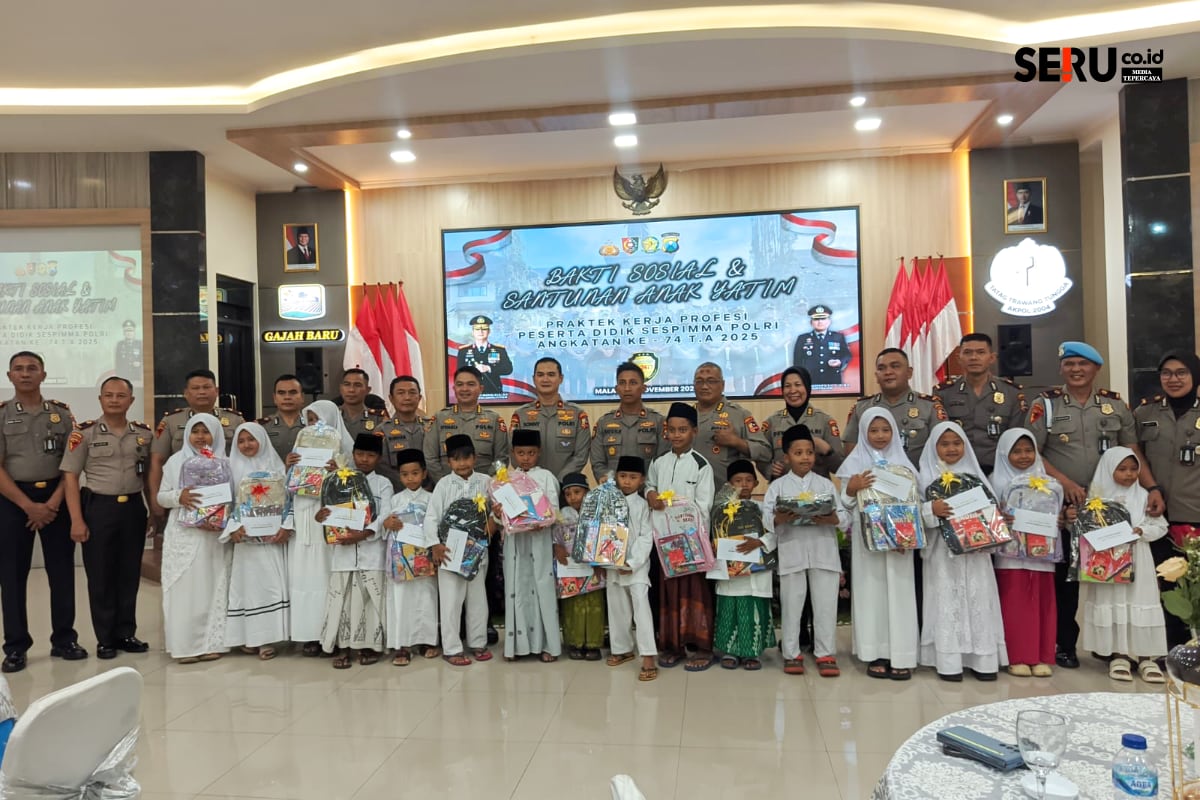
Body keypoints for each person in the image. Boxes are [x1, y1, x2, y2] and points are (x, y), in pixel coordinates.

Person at [1027, 340, 1160, 669]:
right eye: (1069, 364)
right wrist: (1067, 484)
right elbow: (1033, 453)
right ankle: (1065, 644)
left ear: (1095, 369)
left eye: (1082, 364)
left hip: (1111, 504)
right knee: (1067, 580)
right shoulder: (1046, 405)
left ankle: (1111, 644)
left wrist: (1151, 486)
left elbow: (1132, 451)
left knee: (1109, 575)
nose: (1076, 370)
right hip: (1064, 501)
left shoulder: (1115, 407)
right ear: (1061, 368)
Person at [0, 352, 81, 674]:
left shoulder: (62, 415)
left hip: (56, 498)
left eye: (31, 368)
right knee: (12, 575)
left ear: (43, 375)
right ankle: (16, 646)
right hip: (12, 499)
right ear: (9, 376)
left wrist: (51, 503)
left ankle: (64, 640)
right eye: (18, 369)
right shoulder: (2, 415)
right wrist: (27, 505)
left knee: (61, 573)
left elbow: (71, 465)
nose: (25, 374)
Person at [60, 376, 150, 664]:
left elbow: (147, 477)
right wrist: (76, 519)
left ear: (130, 401)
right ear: (100, 399)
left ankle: (126, 632)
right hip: (99, 508)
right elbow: (71, 478)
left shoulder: (143, 434)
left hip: (133, 508)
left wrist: (153, 511)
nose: (114, 400)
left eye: (120, 396)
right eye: (108, 395)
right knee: (100, 575)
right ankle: (105, 638)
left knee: (128, 574)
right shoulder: (83, 434)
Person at [917, 422, 1008, 681]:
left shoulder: (976, 476)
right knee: (946, 602)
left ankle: (984, 661)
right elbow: (914, 516)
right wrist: (930, 511)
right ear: (934, 447)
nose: (951, 449)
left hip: (976, 555)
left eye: (957, 443)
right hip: (941, 555)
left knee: (979, 600)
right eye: (944, 444)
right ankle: (948, 662)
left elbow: (992, 512)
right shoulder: (925, 476)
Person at [836, 408, 920, 680]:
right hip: (867, 543)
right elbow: (844, 507)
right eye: (874, 430)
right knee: (871, 593)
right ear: (863, 433)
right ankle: (874, 653)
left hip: (899, 543)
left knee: (900, 595)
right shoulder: (854, 464)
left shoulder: (906, 466)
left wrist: (905, 534)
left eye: (885, 430)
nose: (880, 435)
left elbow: (914, 503)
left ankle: (902, 654)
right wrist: (852, 488)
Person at [1076, 447, 1168, 683]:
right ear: (1108, 470)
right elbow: (1085, 529)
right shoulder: (1097, 498)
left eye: (1134, 469)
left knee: (1140, 602)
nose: (1129, 474)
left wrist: (1141, 531)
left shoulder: (1144, 496)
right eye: (1122, 469)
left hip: (1139, 556)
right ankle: (1119, 655)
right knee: (1114, 603)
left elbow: (1160, 526)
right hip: (1109, 562)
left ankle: (1146, 657)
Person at [765, 430, 848, 676]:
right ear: (787, 457)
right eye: (798, 453)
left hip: (824, 551)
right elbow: (766, 518)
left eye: (809, 453)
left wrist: (833, 518)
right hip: (793, 551)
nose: (805, 458)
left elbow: (844, 517)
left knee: (825, 605)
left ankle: (825, 653)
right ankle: (791, 653)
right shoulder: (777, 486)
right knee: (792, 605)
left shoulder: (825, 484)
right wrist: (778, 518)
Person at [1135, 351, 1200, 649]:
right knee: (1165, 586)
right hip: (1157, 516)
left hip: (1195, 515)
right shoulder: (1145, 414)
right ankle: (1170, 649)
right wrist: (1151, 488)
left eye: (1181, 372)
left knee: (1195, 588)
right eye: (1167, 373)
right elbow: (1134, 457)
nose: (1173, 379)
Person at [157, 414, 232, 663]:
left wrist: (222, 518)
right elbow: (161, 497)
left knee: (213, 587)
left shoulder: (225, 462)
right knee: (185, 590)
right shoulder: (175, 462)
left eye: (206, 431)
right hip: (185, 536)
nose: (201, 437)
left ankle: (213, 642)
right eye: (195, 432)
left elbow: (233, 497)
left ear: (216, 435)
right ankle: (185, 646)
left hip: (214, 536)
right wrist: (181, 496)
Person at [646, 402, 716, 671]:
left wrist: (679, 509)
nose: (676, 435)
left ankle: (701, 648)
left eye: (683, 430)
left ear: (694, 431)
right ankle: (672, 646)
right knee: (669, 594)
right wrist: (650, 495)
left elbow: (704, 506)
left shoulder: (702, 466)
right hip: (664, 542)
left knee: (694, 594)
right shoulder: (658, 462)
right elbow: (650, 486)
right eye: (672, 430)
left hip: (690, 543)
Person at [316, 433, 393, 668]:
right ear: (353, 454)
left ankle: (371, 645)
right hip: (343, 552)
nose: (364, 459)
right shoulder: (337, 479)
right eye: (360, 454)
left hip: (371, 552)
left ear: (378, 458)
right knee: (343, 600)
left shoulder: (383, 484)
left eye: (370, 455)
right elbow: (326, 510)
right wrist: (321, 517)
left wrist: (365, 533)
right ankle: (342, 646)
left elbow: (385, 516)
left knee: (370, 601)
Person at [287, 400, 353, 656]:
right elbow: (288, 487)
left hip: (331, 520)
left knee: (331, 579)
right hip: (305, 520)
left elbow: (355, 485)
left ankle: (335, 633)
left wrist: (341, 471)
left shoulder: (345, 448)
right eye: (311, 420)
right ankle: (309, 635)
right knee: (306, 579)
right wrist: (290, 466)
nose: (316, 425)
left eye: (320, 419)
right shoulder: (300, 444)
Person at [991, 429, 1058, 678]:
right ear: (1003, 453)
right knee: (1014, 604)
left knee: (1042, 604)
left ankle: (1041, 655)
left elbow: (1058, 514)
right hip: (1009, 557)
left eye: (1029, 450)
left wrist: (1060, 520)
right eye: (1016, 451)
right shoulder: (994, 482)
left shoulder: (1050, 484)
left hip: (1042, 556)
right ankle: (1016, 655)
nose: (1023, 456)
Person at [424, 434, 495, 666]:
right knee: (451, 600)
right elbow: (432, 517)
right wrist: (435, 544)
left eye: (466, 458)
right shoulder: (444, 485)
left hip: (476, 550)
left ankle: (478, 642)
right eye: (456, 459)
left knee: (477, 599)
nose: (462, 463)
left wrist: (494, 520)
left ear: (475, 458)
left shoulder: (486, 481)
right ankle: (452, 648)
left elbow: (498, 508)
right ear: (449, 462)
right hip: (450, 551)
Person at [222, 422, 291, 660]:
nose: (246, 445)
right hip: (245, 544)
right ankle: (246, 639)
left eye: (251, 439)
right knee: (245, 589)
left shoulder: (277, 467)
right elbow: (225, 506)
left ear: (262, 440)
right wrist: (233, 528)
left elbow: (289, 502)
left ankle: (267, 639)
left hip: (271, 542)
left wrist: (285, 527)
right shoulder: (230, 470)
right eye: (241, 441)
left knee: (270, 588)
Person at [149, 369, 244, 530]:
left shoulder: (235, 420)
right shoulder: (171, 421)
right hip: (183, 503)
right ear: (186, 393)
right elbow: (157, 461)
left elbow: (244, 460)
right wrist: (154, 498)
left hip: (224, 503)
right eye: (195, 388)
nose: (201, 392)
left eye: (206, 387)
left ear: (217, 391)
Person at [500, 429, 561, 662]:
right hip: (515, 542)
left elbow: (553, 510)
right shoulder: (504, 478)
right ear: (513, 453)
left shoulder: (546, 477)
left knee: (541, 588)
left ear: (539, 453)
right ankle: (515, 646)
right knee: (516, 588)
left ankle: (548, 645)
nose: (526, 457)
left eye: (531, 453)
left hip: (539, 540)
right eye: (521, 453)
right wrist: (498, 514)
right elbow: (500, 515)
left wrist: (542, 520)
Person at [715, 460, 779, 672]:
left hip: (756, 570)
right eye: (738, 480)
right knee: (730, 606)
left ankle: (752, 652)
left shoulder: (763, 509)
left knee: (753, 607)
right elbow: (712, 537)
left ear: (756, 483)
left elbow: (775, 532)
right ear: (729, 484)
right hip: (731, 571)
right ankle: (729, 650)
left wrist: (759, 542)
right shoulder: (720, 511)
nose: (744, 484)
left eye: (748, 480)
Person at [933, 333, 1027, 472]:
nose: (974, 358)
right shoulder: (944, 393)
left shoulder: (1011, 393)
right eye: (968, 353)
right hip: (957, 470)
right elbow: (939, 437)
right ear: (959, 358)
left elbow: (1017, 438)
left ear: (992, 358)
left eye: (981, 352)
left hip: (1000, 469)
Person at [381, 449, 439, 666]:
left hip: (424, 558)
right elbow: (385, 524)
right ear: (400, 476)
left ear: (424, 473)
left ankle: (427, 641)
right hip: (401, 559)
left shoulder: (432, 499)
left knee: (426, 598)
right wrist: (388, 524)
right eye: (405, 474)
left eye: (415, 473)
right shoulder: (395, 500)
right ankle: (402, 645)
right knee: (401, 600)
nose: (410, 478)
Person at [603, 455, 658, 682]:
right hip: (612, 565)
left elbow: (647, 537)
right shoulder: (607, 502)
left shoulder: (644, 506)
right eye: (623, 476)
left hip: (636, 567)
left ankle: (648, 656)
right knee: (617, 609)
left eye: (633, 477)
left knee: (641, 611)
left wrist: (633, 562)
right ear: (616, 477)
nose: (627, 481)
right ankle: (623, 648)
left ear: (642, 480)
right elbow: (600, 532)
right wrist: (606, 560)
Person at [843, 349, 946, 464]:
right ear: (876, 376)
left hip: (918, 478)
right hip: (872, 478)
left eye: (895, 366)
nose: (888, 372)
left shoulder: (929, 407)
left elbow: (944, 448)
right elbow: (850, 452)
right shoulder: (862, 407)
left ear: (909, 373)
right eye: (881, 368)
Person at [692, 362, 770, 493]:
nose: (704, 386)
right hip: (692, 496)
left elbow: (765, 452)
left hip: (727, 498)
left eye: (711, 381)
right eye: (699, 381)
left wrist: (736, 442)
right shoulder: (686, 417)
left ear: (722, 385)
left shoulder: (739, 414)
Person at [509, 358, 590, 480]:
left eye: (551, 375)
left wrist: (556, 482)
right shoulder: (521, 415)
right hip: (531, 488)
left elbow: (581, 456)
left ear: (561, 378)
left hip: (565, 488)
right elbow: (513, 452)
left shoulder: (577, 414)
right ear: (534, 379)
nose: (545, 379)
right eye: (540, 375)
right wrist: (533, 480)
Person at [424, 366, 509, 483]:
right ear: (454, 388)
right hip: (447, 489)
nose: (465, 389)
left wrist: (488, 483)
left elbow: (501, 459)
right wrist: (445, 484)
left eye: (470, 384)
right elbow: (430, 458)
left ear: (481, 388)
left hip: (484, 490)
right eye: (460, 384)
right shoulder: (439, 418)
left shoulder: (494, 420)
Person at [553, 472, 605, 661]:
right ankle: (573, 643)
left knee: (593, 606)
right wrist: (557, 547)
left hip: (592, 570)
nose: (573, 497)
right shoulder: (562, 515)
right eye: (568, 494)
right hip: (570, 571)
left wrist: (600, 562)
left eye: (577, 492)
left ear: (587, 492)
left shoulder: (597, 512)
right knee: (572, 606)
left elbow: (604, 538)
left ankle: (593, 644)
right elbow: (556, 537)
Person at [760, 366, 843, 479]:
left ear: (807, 388)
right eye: (787, 386)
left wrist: (827, 450)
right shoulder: (772, 423)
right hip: (783, 490)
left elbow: (840, 467)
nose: (793, 390)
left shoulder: (825, 421)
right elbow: (761, 458)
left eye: (798, 385)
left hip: (818, 491)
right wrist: (769, 470)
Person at [589, 361, 667, 481]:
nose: (627, 388)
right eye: (622, 383)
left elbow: (663, 462)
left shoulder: (658, 422)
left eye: (633, 383)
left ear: (643, 388)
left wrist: (648, 488)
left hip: (647, 494)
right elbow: (598, 464)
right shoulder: (603, 423)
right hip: (613, 492)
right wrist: (611, 487)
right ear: (616, 389)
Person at [382, 376, 432, 471]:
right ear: (391, 398)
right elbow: (382, 466)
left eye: (412, 393)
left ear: (419, 398)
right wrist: (408, 485)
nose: (407, 397)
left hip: (431, 485)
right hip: (395, 485)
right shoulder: (383, 430)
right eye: (401, 393)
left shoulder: (432, 426)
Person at [792, 305, 850, 386]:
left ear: (829, 321)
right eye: (816, 319)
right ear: (811, 322)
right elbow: (797, 362)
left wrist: (840, 362)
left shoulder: (838, 337)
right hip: (810, 381)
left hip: (832, 380)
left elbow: (846, 355)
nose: (820, 322)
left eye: (823, 318)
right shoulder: (802, 339)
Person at [456, 315, 513, 397]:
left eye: (484, 329)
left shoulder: (499, 350)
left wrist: (489, 368)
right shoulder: (463, 351)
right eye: (477, 329)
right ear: (473, 332)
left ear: (489, 331)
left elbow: (508, 369)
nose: (481, 332)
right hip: (471, 392)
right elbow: (460, 372)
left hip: (493, 390)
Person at [259, 374, 306, 461]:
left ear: (302, 397)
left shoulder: (311, 426)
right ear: (274, 398)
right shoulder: (262, 427)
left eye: (293, 392)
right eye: (281, 393)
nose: (287, 397)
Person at [338, 369, 387, 439]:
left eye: (357, 385)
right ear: (341, 388)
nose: (351, 390)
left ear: (368, 390)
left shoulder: (378, 419)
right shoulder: (330, 416)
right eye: (347, 384)